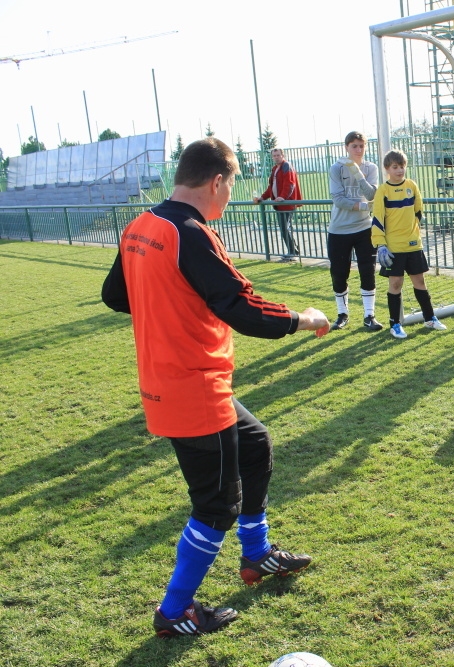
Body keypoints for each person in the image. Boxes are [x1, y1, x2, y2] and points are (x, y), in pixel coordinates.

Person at [101, 138, 331, 638]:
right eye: (232, 185)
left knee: (255, 442)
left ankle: (257, 555)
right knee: (214, 505)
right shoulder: (190, 232)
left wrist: (169, 305)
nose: (230, 196)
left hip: (178, 380)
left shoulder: (142, 225)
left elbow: (115, 295)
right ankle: (174, 611)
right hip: (192, 386)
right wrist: (302, 319)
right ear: (218, 181)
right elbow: (241, 306)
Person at [370, 149, 447, 339]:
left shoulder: (412, 185)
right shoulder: (383, 190)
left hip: (413, 245)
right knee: (395, 284)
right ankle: (395, 324)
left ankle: (430, 318)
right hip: (393, 247)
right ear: (387, 169)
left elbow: (418, 211)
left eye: (402, 166)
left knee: (420, 281)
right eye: (395, 167)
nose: (399, 170)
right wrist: (381, 244)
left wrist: (413, 232)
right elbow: (377, 219)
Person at [328, 131, 382, 331]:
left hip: (364, 229)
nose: (358, 150)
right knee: (339, 273)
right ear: (347, 147)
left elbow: (372, 194)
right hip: (339, 230)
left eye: (361, 146)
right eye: (354, 146)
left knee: (367, 271)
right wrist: (363, 206)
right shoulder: (336, 168)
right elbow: (338, 199)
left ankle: (369, 316)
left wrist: (358, 173)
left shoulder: (371, 168)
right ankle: (342, 314)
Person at [253, 147, 303, 262]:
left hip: (286, 203)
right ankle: (293, 251)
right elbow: (271, 187)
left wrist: (283, 197)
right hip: (280, 204)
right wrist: (262, 197)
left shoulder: (286, 166)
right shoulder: (275, 168)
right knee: (284, 228)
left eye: (278, 155)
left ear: (283, 155)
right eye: (274, 156)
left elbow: (290, 184)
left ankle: (292, 252)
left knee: (285, 228)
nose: (276, 157)